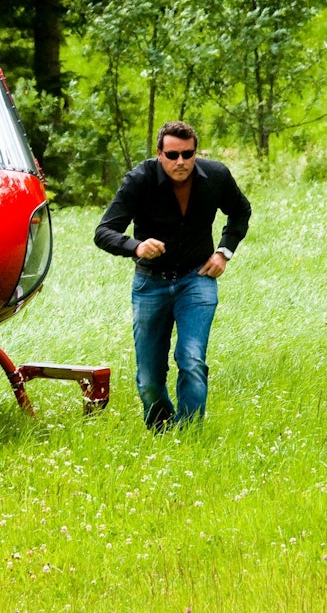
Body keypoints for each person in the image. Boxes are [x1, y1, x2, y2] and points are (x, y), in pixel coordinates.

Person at [94, 121, 252, 431]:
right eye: (172, 154)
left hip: (197, 279)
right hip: (150, 283)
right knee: (149, 377)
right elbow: (104, 232)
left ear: (196, 152)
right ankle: (161, 428)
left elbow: (241, 211)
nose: (180, 162)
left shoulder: (215, 175)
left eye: (187, 154)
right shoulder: (139, 180)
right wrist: (136, 247)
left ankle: (189, 433)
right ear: (159, 153)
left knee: (191, 359)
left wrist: (223, 252)